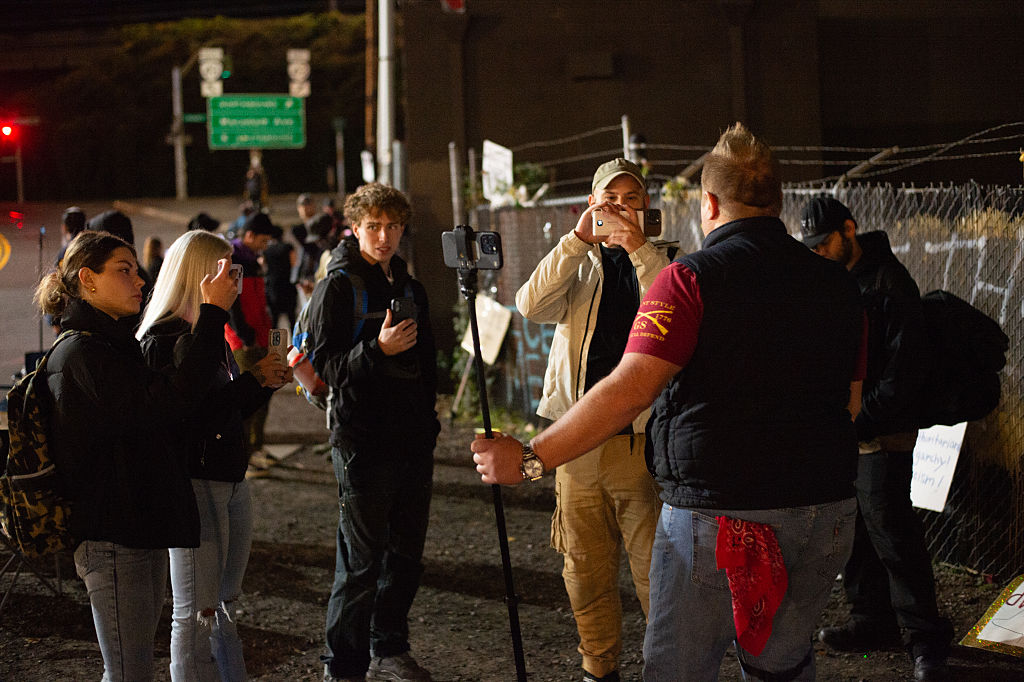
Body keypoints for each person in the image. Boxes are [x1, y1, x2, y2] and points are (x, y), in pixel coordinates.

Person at [472, 123, 866, 681]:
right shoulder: (840, 285)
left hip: (720, 510)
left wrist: (531, 458)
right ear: (778, 199)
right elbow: (850, 402)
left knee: (680, 667)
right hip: (824, 510)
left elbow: (631, 389)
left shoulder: (687, 276)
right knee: (782, 663)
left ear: (707, 203)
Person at [33, 230, 238, 681]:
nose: (140, 280)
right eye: (123, 270)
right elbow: (166, 404)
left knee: (133, 667)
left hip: (134, 529)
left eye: (136, 268)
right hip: (111, 536)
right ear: (87, 279)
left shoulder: (110, 343)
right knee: (129, 672)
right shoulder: (83, 352)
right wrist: (212, 316)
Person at [515, 158, 670, 682]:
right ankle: (598, 667)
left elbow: (671, 314)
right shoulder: (578, 263)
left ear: (648, 207)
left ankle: (666, 666)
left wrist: (638, 250)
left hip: (641, 440)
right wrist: (576, 241)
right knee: (584, 569)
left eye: (633, 199)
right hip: (577, 438)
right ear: (592, 205)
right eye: (611, 199)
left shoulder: (668, 262)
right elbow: (530, 305)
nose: (622, 208)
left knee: (656, 570)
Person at [800, 196, 953, 682]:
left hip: (881, 432)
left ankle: (926, 640)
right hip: (850, 430)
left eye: (824, 241)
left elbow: (907, 370)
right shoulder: (838, 280)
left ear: (849, 229)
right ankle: (872, 620)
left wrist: (862, 420)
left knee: (891, 530)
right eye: (813, 245)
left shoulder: (890, 283)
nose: (819, 251)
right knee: (859, 530)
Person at [137, 230, 292, 682]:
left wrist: (261, 381)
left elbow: (225, 412)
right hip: (194, 483)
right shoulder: (165, 338)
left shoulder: (208, 333)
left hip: (229, 478)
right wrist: (249, 382)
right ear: (200, 274)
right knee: (196, 611)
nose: (236, 279)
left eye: (237, 269)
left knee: (224, 602)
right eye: (226, 269)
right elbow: (188, 415)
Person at [307, 183, 439, 682]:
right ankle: (342, 667)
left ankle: (389, 648)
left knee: (406, 556)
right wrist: (376, 351)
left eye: (393, 226)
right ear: (355, 228)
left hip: (411, 441)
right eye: (373, 227)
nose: (384, 236)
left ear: (403, 228)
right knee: (360, 564)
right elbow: (326, 369)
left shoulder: (411, 287)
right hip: (363, 442)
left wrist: (429, 423)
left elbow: (427, 365)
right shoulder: (337, 287)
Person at [224, 212, 277, 475]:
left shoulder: (252, 261)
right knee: (247, 398)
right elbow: (232, 303)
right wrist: (244, 336)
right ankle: (244, 455)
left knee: (263, 393)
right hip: (242, 342)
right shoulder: (232, 260)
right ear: (249, 236)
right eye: (263, 241)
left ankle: (256, 448)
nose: (265, 247)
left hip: (259, 336)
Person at [263, 226, 299, 330]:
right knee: (292, 319)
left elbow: (263, 265)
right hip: (287, 286)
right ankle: (293, 343)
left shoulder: (267, 250)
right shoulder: (288, 247)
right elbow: (294, 262)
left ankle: (273, 345)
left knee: (274, 321)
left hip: (273, 287)